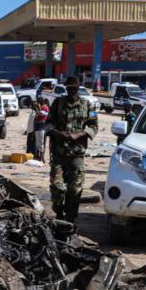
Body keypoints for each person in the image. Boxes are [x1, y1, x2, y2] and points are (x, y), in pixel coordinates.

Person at [46, 76, 98, 224]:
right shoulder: (58, 103)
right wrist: (59, 134)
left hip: (76, 153)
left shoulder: (87, 105)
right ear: (66, 88)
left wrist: (79, 134)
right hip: (59, 153)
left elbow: (94, 126)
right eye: (69, 88)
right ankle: (59, 213)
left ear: (78, 88)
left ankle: (70, 218)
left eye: (74, 88)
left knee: (75, 189)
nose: (72, 91)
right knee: (57, 187)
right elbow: (48, 124)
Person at [34, 98, 50, 163]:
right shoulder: (41, 107)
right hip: (39, 125)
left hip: (42, 126)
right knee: (39, 142)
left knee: (41, 142)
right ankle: (39, 157)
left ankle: (42, 157)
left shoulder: (45, 108)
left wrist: (40, 111)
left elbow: (45, 114)